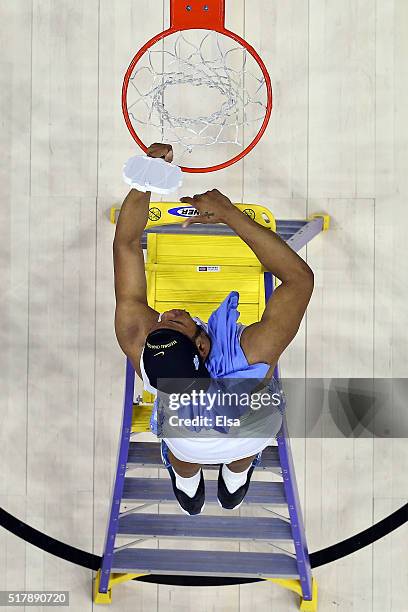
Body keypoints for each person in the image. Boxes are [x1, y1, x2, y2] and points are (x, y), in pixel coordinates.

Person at [113, 143, 314, 515]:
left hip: (190, 441)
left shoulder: (138, 342)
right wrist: (226, 212)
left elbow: (125, 244)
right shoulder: (253, 353)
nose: (165, 314)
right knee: (242, 439)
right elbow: (299, 280)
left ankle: (186, 482)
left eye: (159, 325)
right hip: (250, 427)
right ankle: (236, 478)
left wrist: (148, 175)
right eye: (174, 323)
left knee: (184, 451)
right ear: (203, 346)